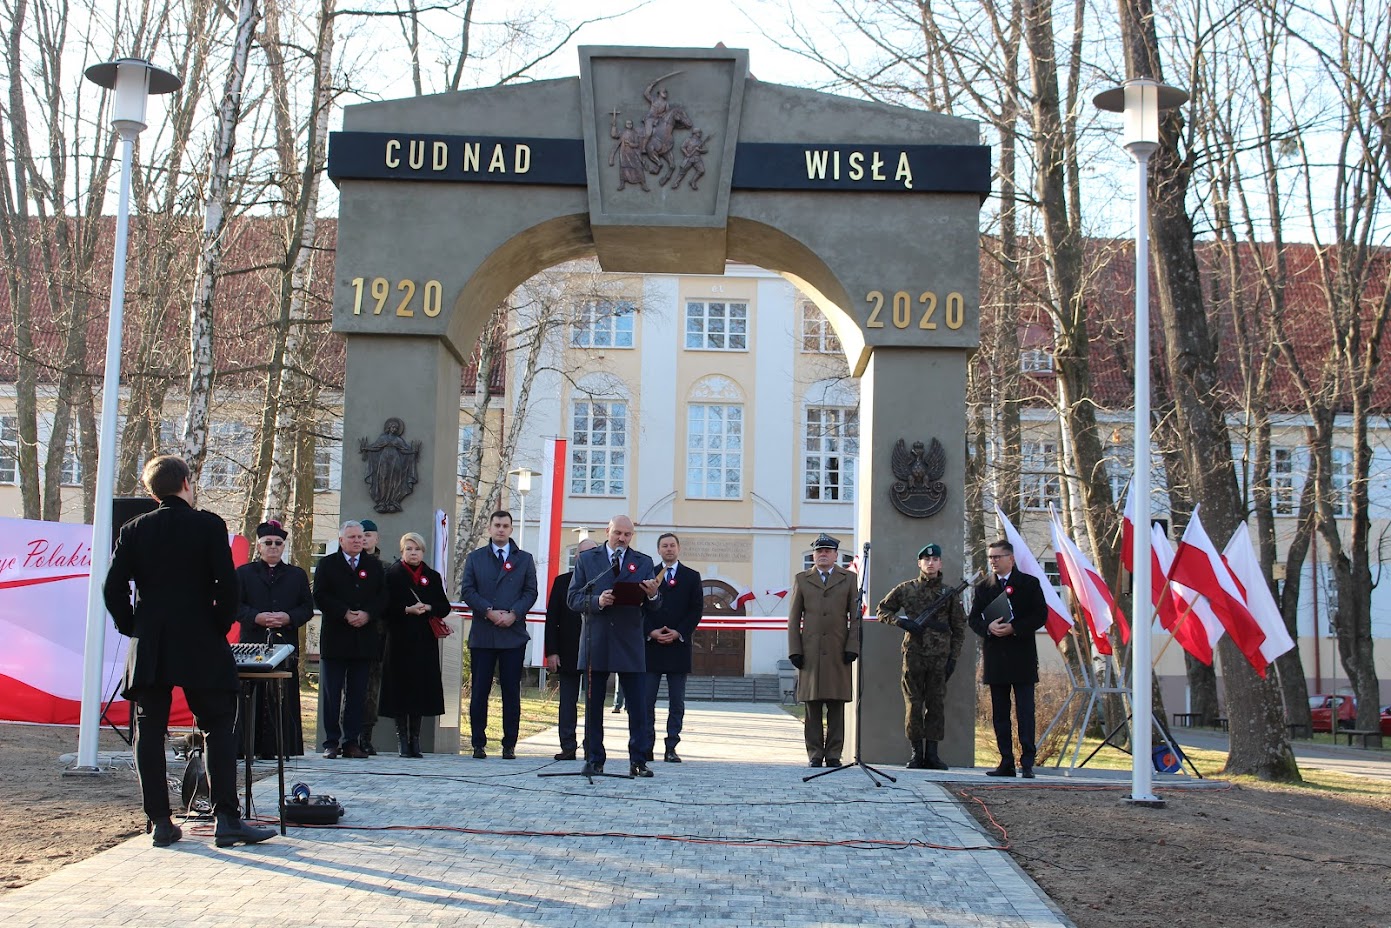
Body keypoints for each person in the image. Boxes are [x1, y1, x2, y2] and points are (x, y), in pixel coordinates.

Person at [102, 454, 274, 848]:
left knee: (149, 729)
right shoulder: (209, 525)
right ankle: (227, 820)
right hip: (200, 637)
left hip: (153, 641)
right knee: (218, 726)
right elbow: (227, 585)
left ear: (151, 491)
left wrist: (133, 626)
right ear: (185, 483)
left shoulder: (133, 529)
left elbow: (113, 589)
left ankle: (160, 823)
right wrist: (218, 625)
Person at [567, 515, 662, 777]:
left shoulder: (643, 562)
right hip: (596, 640)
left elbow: (654, 605)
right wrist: (598, 600)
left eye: (627, 535)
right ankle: (594, 758)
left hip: (630, 641)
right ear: (607, 531)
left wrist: (653, 593)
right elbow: (573, 598)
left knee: (637, 705)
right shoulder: (587, 559)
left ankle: (639, 760)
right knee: (593, 704)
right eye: (618, 533)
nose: (622, 538)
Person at [875, 542, 966, 770]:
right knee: (914, 704)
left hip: (939, 657)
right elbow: (882, 610)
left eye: (935, 559)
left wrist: (953, 658)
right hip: (913, 655)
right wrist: (901, 622)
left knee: (936, 704)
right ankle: (917, 754)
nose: (931, 563)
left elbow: (959, 628)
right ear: (919, 563)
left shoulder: (949, 594)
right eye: (926, 560)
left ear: (940, 563)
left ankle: (932, 755)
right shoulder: (906, 589)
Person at [460, 510, 538, 759]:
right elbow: (468, 591)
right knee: (480, 691)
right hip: (484, 633)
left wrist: (514, 614)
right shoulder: (475, 558)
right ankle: (478, 743)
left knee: (511, 692)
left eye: (505, 526)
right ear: (490, 528)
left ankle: (509, 744)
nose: (501, 529)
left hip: (512, 635)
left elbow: (531, 592)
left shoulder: (524, 559)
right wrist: (488, 612)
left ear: (511, 529)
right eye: (497, 525)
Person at [968, 539, 1048, 778]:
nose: (993, 561)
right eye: (991, 557)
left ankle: (1027, 762)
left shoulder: (1029, 583)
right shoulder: (984, 587)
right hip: (997, 658)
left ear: (1011, 559)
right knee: (1000, 713)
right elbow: (973, 619)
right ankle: (1006, 762)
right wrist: (988, 627)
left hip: (1021, 656)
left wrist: (1015, 628)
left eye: (997, 557)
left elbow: (1040, 615)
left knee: (1025, 711)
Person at [235, 519, 314, 758]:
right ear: (259, 546)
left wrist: (287, 617)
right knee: (251, 695)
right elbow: (234, 606)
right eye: (267, 543)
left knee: (282, 696)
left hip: (283, 644)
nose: (273, 547)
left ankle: (282, 748)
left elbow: (307, 608)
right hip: (252, 642)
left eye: (278, 543)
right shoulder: (244, 573)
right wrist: (256, 617)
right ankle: (248, 747)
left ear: (283, 547)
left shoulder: (296, 575)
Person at [313, 520, 387, 759]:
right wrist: (344, 612)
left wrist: (367, 614)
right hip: (336, 637)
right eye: (352, 537)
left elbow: (383, 596)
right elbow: (320, 595)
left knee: (358, 694)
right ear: (341, 540)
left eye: (360, 537)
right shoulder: (327, 564)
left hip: (363, 639)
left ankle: (351, 742)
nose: (357, 540)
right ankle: (331, 742)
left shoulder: (373, 566)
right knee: (332, 693)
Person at [787, 533, 861, 768]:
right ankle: (815, 754)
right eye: (819, 551)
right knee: (812, 705)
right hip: (810, 651)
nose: (823, 555)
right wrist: (794, 650)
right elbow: (793, 618)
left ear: (836, 555)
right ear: (814, 555)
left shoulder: (848, 579)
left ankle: (833, 754)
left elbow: (855, 617)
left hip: (838, 651)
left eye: (828, 551)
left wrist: (852, 646)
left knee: (837, 705)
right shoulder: (802, 579)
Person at [379, 532, 452, 757]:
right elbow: (383, 606)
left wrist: (428, 607)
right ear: (402, 551)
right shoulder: (392, 574)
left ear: (423, 552)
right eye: (409, 549)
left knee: (420, 689)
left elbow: (444, 606)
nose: (413, 553)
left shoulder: (432, 575)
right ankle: (402, 739)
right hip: (399, 639)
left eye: (417, 549)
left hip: (424, 640)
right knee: (400, 689)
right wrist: (406, 610)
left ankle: (416, 739)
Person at [643, 532, 703, 763]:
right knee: (647, 700)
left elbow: (696, 610)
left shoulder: (691, 576)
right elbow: (641, 608)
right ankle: (647, 745)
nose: (669, 549)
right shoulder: (648, 575)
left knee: (676, 702)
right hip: (652, 647)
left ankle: (671, 746)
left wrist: (679, 632)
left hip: (678, 646)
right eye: (664, 546)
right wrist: (650, 631)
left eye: (672, 545)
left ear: (678, 549)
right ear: (658, 550)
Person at [543, 537, 598, 760]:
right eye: (583, 554)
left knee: (594, 703)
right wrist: (551, 652)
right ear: (577, 558)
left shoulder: (605, 581)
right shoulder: (562, 582)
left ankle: (592, 747)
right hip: (567, 651)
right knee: (567, 703)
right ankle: (568, 746)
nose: (588, 558)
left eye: (593, 553)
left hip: (596, 650)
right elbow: (552, 619)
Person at [357, 518, 386, 755]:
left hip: (375, 635)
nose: (364, 539)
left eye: (369, 534)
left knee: (370, 689)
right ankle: (348, 737)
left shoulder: (385, 568)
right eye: (360, 534)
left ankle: (365, 735)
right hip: (347, 634)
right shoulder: (344, 564)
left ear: (376, 539)